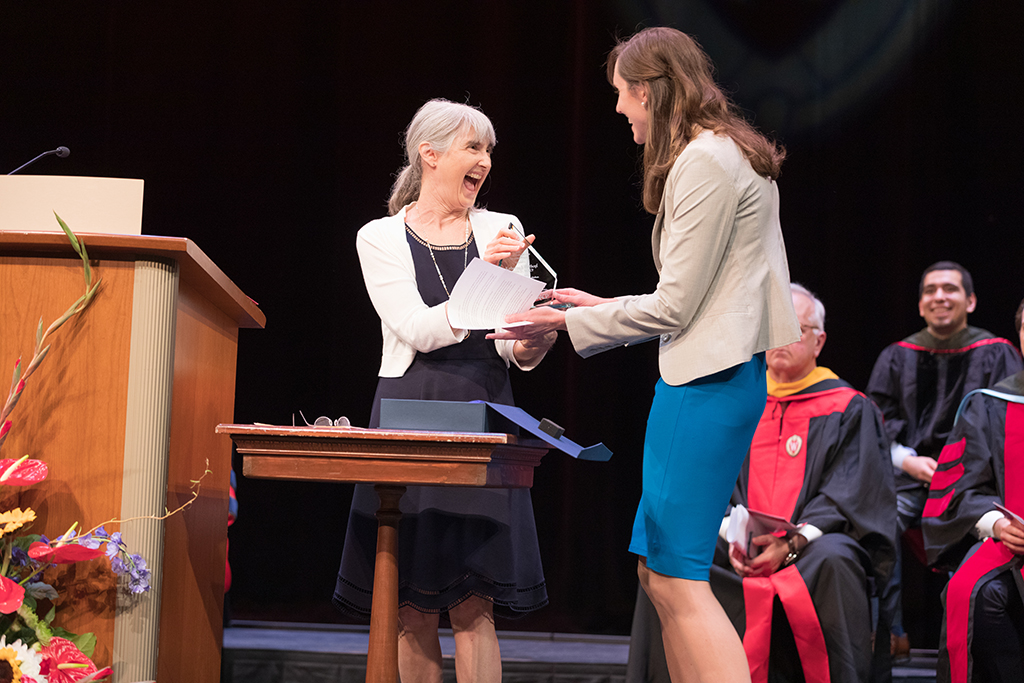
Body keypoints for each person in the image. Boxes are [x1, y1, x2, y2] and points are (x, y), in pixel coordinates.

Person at [491, 27, 799, 682]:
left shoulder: (705, 161)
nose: (618, 109)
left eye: (622, 95)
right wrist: (588, 307)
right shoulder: (715, 154)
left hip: (708, 385)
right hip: (701, 376)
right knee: (659, 575)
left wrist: (567, 323)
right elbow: (697, 296)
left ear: (650, 91)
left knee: (680, 579)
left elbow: (677, 307)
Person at [334, 98, 556, 683]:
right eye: (472, 148)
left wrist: (536, 337)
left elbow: (510, 339)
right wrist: (485, 272)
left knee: (475, 602)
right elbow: (418, 327)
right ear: (429, 156)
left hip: (484, 402)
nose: (483, 161)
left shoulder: (500, 228)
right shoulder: (379, 236)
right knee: (411, 603)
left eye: (487, 150)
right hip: (410, 407)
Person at [627, 284, 896, 683]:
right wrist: (733, 534)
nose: (781, 339)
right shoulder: (738, 400)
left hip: (811, 547)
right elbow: (703, 475)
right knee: (664, 560)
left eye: (796, 329)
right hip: (734, 544)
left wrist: (792, 543)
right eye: (773, 327)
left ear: (819, 341)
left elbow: (852, 491)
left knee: (836, 560)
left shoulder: (848, 407)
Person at [867, 262, 1023, 654]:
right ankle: (890, 632)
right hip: (912, 475)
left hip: (975, 478)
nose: (940, 297)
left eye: (951, 289)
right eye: (931, 290)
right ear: (920, 305)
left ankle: (960, 641)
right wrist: (909, 462)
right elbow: (877, 424)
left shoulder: (998, 352)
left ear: (970, 301)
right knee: (879, 520)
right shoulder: (896, 356)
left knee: (975, 537)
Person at [922, 296, 1024, 683]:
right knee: (971, 592)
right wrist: (998, 524)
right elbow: (961, 489)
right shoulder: (989, 405)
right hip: (1012, 545)